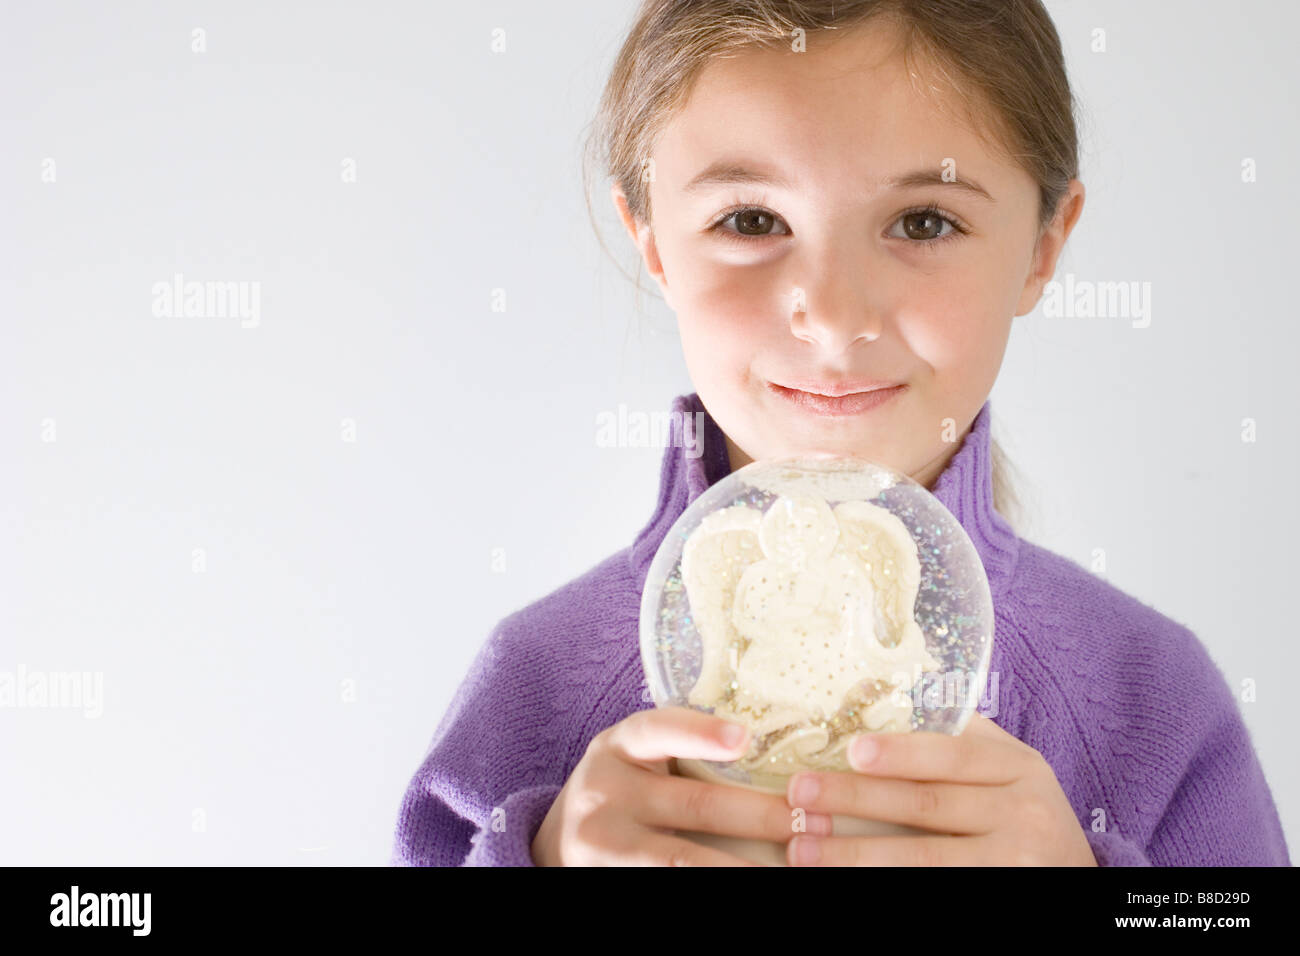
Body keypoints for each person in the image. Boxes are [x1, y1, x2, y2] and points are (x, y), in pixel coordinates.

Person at [390, 0, 1290, 866]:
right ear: (654, 243)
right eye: (751, 221)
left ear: (1043, 247)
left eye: (924, 222)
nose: (830, 316)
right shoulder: (533, 688)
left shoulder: (1151, 697)